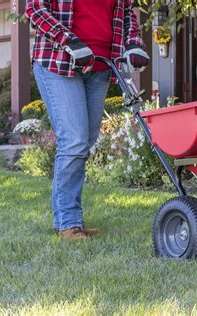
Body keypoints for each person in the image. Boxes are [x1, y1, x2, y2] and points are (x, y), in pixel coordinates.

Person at [25, 0, 149, 240]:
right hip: (59, 61)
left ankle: (67, 219)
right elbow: (35, 10)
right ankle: (69, 222)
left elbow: (126, 16)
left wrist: (134, 44)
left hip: (101, 65)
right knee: (74, 140)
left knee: (85, 141)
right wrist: (69, 41)